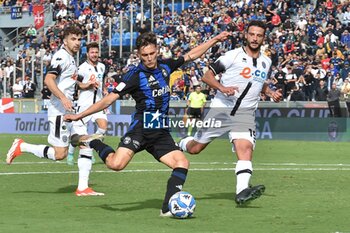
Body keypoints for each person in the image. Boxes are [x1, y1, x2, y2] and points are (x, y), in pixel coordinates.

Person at [64, 31, 231, 216]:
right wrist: (80, 115)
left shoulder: (166, 66)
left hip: (160, 132)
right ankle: (92, 141)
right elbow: (108, 100)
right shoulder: (134, 75)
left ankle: (167, 208)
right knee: (116, 165)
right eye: (145, 55)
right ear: (138, 54)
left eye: (152, 54)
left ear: (157, 51)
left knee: (182, 162)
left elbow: (191, 54)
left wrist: (214, 39)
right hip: (141, 130)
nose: (149, 58)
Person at [178, 20, 283, 206]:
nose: (255, 38)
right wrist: (222, 87)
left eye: (259, 35)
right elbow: (206, 75)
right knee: (195, 148)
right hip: (222, 108)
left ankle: (241, 192)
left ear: (263, 38)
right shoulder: (232, 56)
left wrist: (271, 92)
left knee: (245, 148)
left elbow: (260, 83)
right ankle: (180, 144)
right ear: (246, 35)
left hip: (245, 114)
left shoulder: (266, 61)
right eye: (252, 34)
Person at [6, 25, 104, 196]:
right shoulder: (61, 57)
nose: (77, 42)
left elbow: (69, 83)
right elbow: (49, 80)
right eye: (73, 39)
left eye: (79, 39)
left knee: (85, 142)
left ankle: (83, 187)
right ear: (64, 40)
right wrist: (63, 98)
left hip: (70, 111)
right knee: (60, 154)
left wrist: (84, 85)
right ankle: (22, 146)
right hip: (59, 111)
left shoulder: (72, 58)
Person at [66, 42, 108, 171]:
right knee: (79, 134)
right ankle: (71, 151)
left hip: (99, 104)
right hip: (84, 105)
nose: (94, 55)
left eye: (96, 52)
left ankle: (90, 145)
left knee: (103, 128)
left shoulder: (102, 66)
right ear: (87, 54)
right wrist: (87, 85)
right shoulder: (82, 68)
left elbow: (103, 82)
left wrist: (105, 92)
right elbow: (75, 84)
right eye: (92, 52)